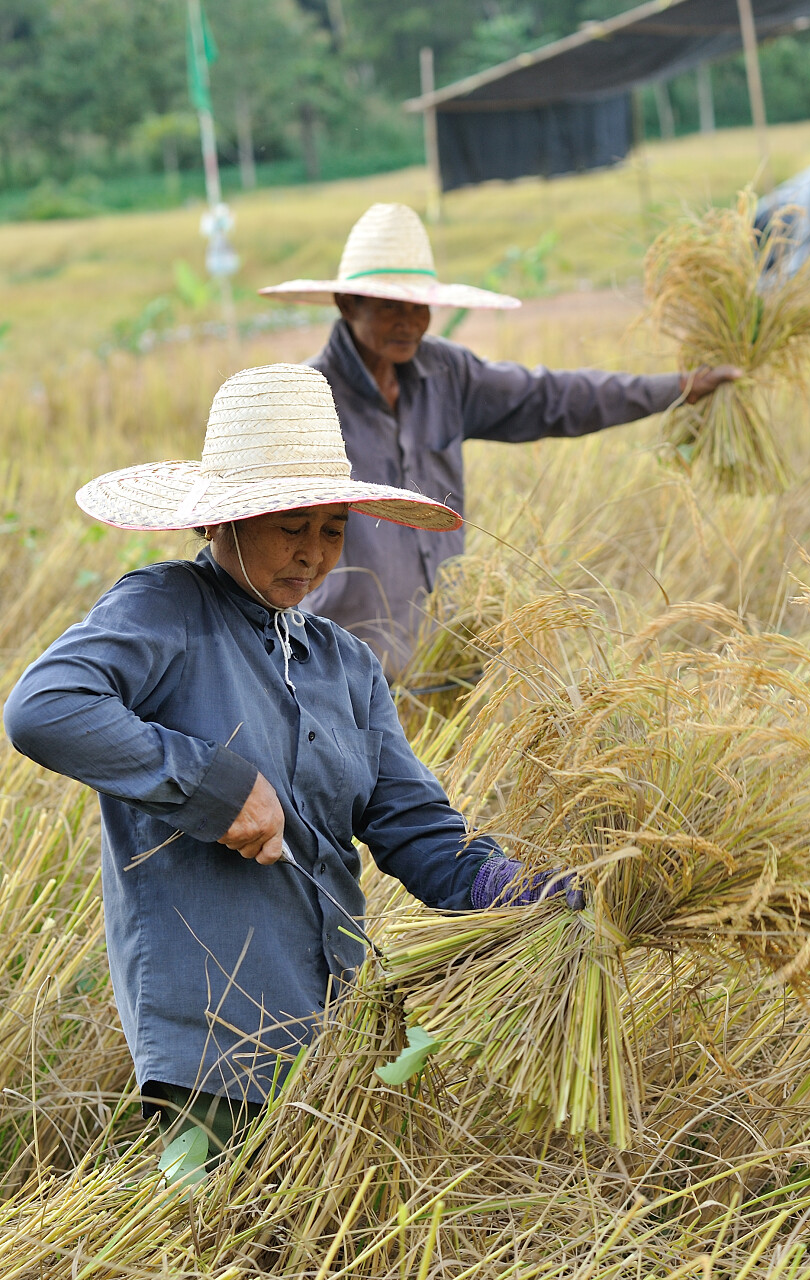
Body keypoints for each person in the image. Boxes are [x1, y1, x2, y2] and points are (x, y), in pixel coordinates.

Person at [3, 363, 576, 1160]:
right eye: (290, 526)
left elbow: (410, 825)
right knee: (204, 1240)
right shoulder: (164, 610)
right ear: (221, 523)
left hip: (332, 1025)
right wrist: (215, 786)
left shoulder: (344, 663)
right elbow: (43, 709)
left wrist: (507, 887)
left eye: (332, 529)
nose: (312, 555)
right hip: (210, 1044)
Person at [260, 202, 741, 678]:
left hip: (442, 660)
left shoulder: (448, 374)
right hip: (341, 667)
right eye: (390, 307)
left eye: (418, 305)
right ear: (348, 304)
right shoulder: (306, 399)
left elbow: (552, 396)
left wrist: (676, 389)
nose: (409, 321)